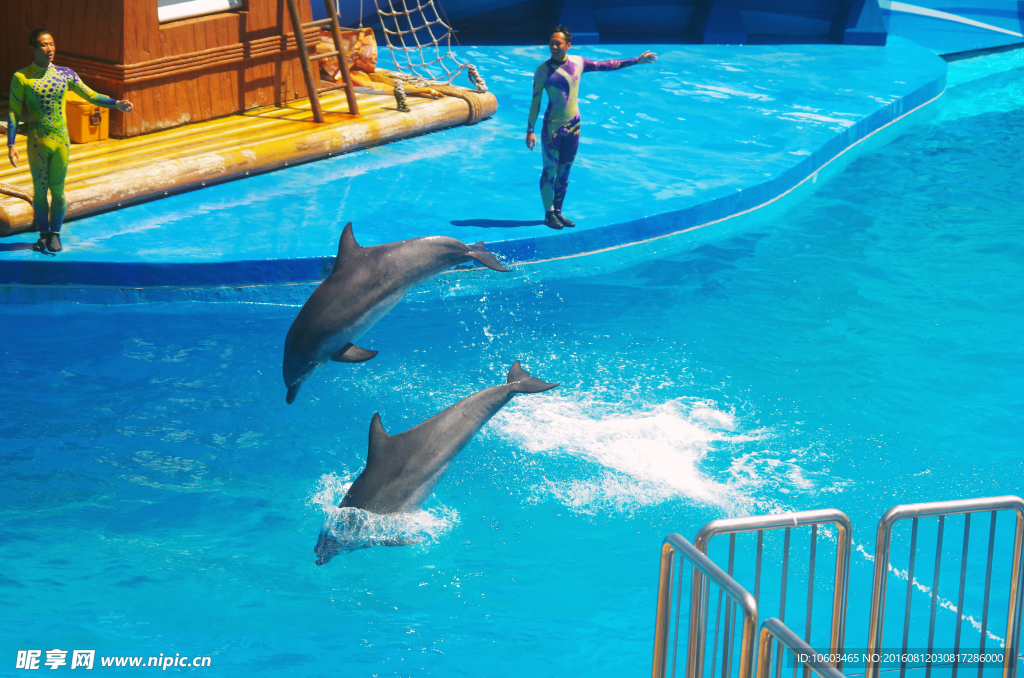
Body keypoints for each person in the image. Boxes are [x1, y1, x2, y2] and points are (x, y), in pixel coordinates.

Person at [7, 29, 133, 253]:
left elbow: (91, 95)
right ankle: (43, 234)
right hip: (37, 142)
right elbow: (14, 113)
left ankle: (55, 234)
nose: (50, 49)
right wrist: (11, 144)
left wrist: (116, 103)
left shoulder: (66, 74)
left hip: (61, 142)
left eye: (52, 44)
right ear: (33, 49)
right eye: (44, 45)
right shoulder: (22, 77)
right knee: (39, 190)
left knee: (58, 190)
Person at [525, 26, 657, 230]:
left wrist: (635, 61)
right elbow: (535, 102)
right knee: (549, 171)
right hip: (552, 129)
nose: (553, 46)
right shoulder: (543, 70)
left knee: (565, 171)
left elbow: (606, 65)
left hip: (573, 127)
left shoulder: (578, 62)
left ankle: (559, 212)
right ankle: (549, 214)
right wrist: (530, 130)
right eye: (551, 42)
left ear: (568, 45)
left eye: (558, 43)